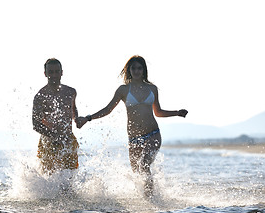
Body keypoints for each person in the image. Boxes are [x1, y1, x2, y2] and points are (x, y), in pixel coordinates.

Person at [76, 55, 188, 197]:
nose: (136, 71)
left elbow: (158, 112)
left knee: (144, 165)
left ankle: (152, 201)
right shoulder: (123, 90)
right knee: (137, 174)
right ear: (129, 70)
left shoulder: (152, 89)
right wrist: (88, 118)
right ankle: (145, 201)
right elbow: (108, 109)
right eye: (133, 68)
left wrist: (177, 113)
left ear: (144, 70)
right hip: (134, 139)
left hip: (153, 134)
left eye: (139, 68)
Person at [32, 58, 80, 175]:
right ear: (45, 74)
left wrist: (78, 120)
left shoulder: (70, 92)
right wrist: (54, 135)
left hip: (68, 140)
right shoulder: (40, 96)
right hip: (49, 143)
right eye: (51, 72)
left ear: (61, 72)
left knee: (70, 177)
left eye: (56, 71)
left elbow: (73, 110)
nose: (54, 75)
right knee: (50, 178)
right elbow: (35, 124)